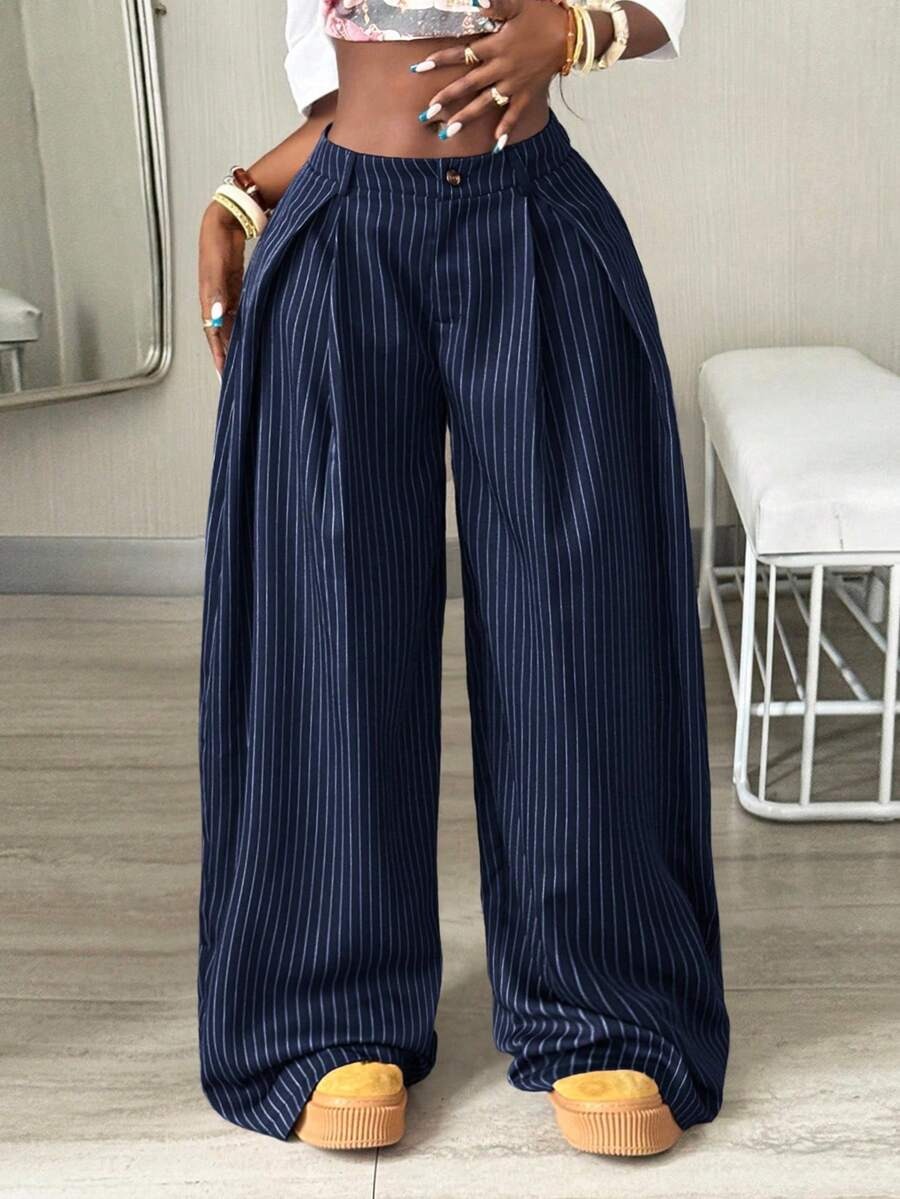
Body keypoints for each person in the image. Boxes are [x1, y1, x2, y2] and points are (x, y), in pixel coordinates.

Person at [196, 0, 729, 1158]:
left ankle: (602, 1002)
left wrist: (573, 32)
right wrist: (243, 192)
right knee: (329, 620)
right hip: (344, 224)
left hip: (534, 214)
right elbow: (355, 92)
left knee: (578, 621)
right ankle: (329, 1005)